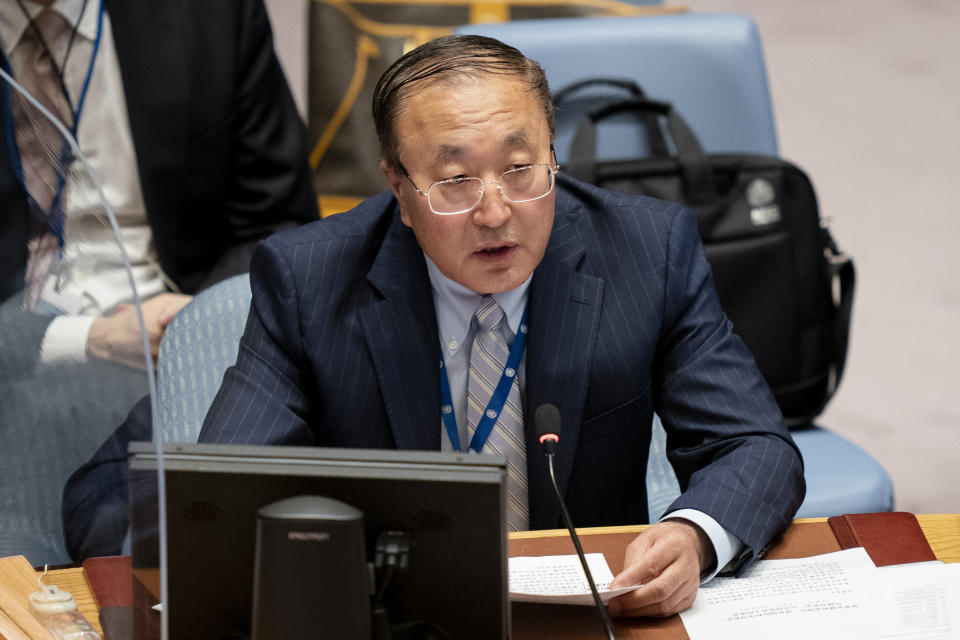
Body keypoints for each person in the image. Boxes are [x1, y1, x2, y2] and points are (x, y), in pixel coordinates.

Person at [204, 33, 803, 617]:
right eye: (456, 181)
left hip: (581, 615)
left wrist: (693, 538)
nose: (495, 213)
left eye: (521, 168)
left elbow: (752, 446)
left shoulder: (647, 252)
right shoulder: (308, 278)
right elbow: (221, 488)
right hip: (388, 609)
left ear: (552, 154)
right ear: (399, 187)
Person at [0, 0, 317, 565]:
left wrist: (196, 323)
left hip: (172, 337)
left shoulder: (210, 15)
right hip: (16, 357)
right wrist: (87, 338)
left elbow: (278, 222)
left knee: (189, 558)